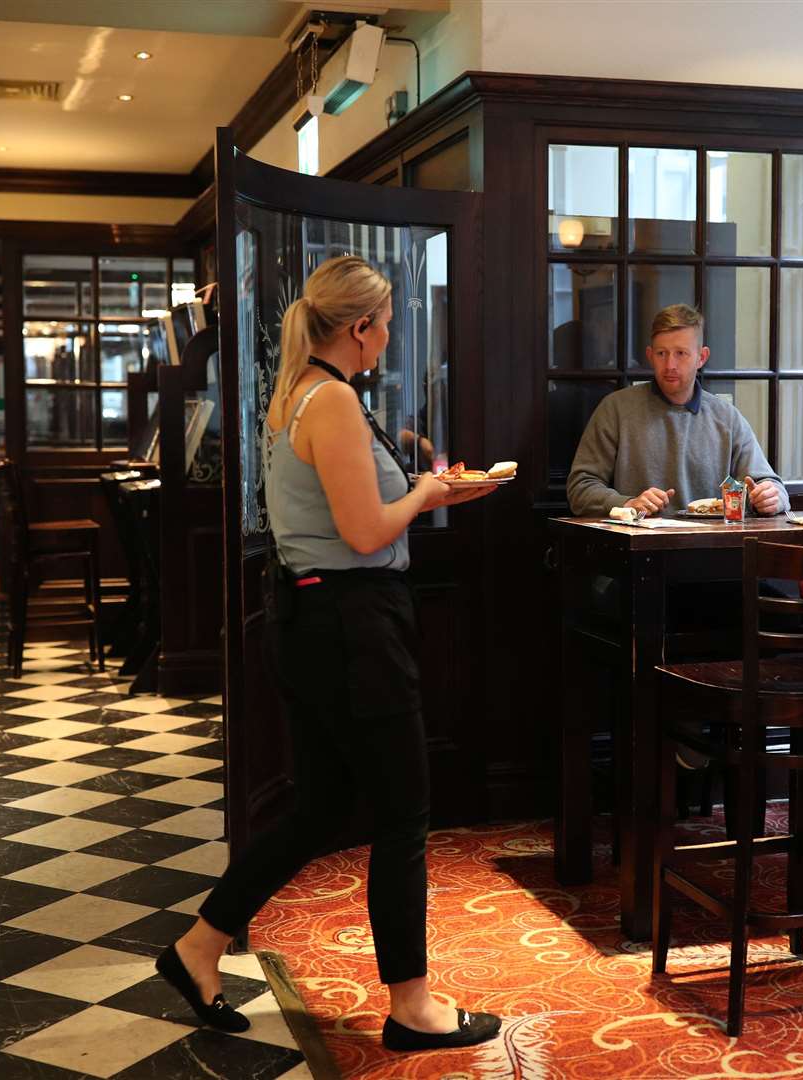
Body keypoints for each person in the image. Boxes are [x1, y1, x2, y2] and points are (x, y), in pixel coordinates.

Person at [158, 255, 501, 1052]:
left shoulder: (294, 391)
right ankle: (413, 1010)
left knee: (316, 807)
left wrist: (418, 486)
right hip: (353, 625)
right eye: (386, 324)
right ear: (361, 327)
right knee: (405, 814)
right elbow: (365, 532)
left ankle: (199, 947)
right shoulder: (335, 399)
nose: (390, 336)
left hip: (309, 619)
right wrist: (429, 493)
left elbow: (343, 513)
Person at [566, 304, 790, 518]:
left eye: (681, 353)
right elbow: (580, 489)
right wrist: (625, 503)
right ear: (650, 355)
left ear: (701, 357)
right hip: (638, 550)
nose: (670, 365)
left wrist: (771, 497)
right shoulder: (616, 409)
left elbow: (770, 485)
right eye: (662, 353)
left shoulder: (726, 417)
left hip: (711, 548)